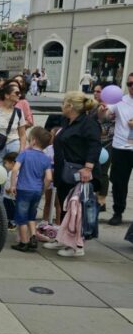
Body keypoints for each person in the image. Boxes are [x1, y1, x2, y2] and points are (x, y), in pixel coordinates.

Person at [52, 91, 101, 244]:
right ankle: (64, 239)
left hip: (78, 171)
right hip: (64, 171)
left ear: (70, 106)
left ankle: (76, 245)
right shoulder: (67, 121)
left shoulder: (88, 123)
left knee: (77, 209)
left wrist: (88, 168)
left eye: (63, 103)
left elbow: (95, 145)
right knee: (65, 205)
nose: (62, 106)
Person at [10, 127, 53, 252]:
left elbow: (14, 169)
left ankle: (24, 242)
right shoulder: (46, 158)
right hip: (37, 191)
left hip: (23, 189)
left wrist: (13, 185)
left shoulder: (24, 154)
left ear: (33, 141)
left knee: (21, 217)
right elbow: (49, 178)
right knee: (31, 216)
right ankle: (33, 237)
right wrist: (43, 190)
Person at [101, 72, 133, 226]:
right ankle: (118, 212)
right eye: (129, 84)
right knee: (119, 183)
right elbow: (106, 114)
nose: (132, 87)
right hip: (121, 148)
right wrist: (103, 111)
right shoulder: (120, 100)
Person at [93, 85, 113, 212]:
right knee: (93, 170)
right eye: (94, 91)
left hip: (107, 143)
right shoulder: (92, 106)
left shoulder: (112, 107)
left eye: (98, 91)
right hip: (93, 143)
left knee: (103, 172)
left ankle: (102, 200)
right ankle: (94, 196)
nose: (95, 93)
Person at [2, 152, 18, 230]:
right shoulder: (10, 172)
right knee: (7, 209)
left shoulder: (15, 172)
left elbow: (16, 183)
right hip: (6, 195)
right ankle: (8, 222)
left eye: (6, 163)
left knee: (11, 210)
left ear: (12, 163)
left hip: (12, 196)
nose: (5, 165)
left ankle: (13, 223)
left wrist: (9, 189)